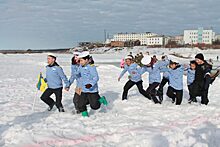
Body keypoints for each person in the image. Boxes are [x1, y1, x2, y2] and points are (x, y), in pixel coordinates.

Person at [77, 52, 108, 117]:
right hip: (84, 89)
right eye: (80, 60)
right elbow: (78, 75)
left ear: (86, 60)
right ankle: (85, 116)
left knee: (95, 106)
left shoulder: (91, 67)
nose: (80, 62)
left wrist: (91, 84)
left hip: (92, 90)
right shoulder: (80, 67)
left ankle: (101, 99)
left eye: (82, 60)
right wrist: (79, 86)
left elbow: (96, 77)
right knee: (80, 103)